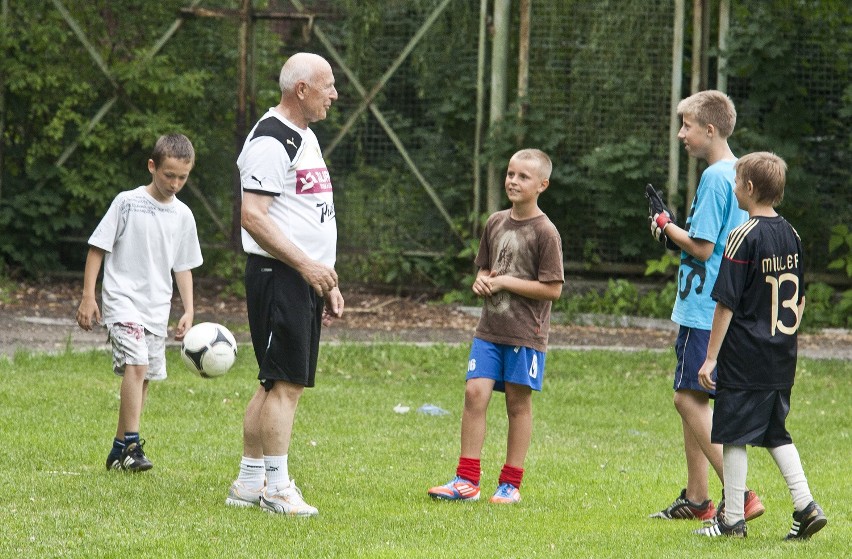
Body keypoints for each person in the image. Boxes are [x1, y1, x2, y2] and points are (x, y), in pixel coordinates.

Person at [224, 52, 343, 517]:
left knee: (273, 381)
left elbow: (305, 213)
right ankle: (277, 487)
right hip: (280, 277)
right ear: (302, 90)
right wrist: (306, 268)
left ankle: (249, 483)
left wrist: (324, 277)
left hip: (299, 277)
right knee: (287, 384)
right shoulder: (272, 140)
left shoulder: (304, 137)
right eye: (328, 86)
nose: (334, 95)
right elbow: (254, 218)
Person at [692, 152, 827, 539]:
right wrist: (782, 336)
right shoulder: (793, 235)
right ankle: (806, 505)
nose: (734, 188)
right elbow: (800, 298)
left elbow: (726, 302)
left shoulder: (743, 236)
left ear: (749, 189)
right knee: (774, 432)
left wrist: (711, 357)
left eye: (736, 182)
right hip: (781, 356)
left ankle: (732, 518)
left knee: (734, 432)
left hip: (745, 355)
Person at [648, 90, 765, 521]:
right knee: (692, 395)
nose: (682, 134)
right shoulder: (734, 173)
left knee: (686, 399)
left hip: (704, 308)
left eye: (687, 126)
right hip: (710, 305)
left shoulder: (717, 175)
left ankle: (742, 494)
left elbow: (701, 247)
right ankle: (698, 500)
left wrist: (665, 226)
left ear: (709, 130)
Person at [427, 148, 564, 505]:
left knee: (518, 405)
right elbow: (485, 268)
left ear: (542, 185)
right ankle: (466, 480)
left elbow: (553, 289)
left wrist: (503, 283)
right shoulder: (495, 221)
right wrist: (482, 280)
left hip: (526, 334)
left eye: (523, 177)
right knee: (475, 394)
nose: (513, 181)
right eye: (510, 174)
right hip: (489, 330)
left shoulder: (546, 232)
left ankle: (510, 484)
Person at [76, 133, 202, 472]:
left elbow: (184, 266)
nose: (175, 183)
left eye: (183, 177)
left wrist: (189, 309)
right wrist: (89, 296)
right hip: (121, 302)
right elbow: (97, 248)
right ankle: (132, 444)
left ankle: (119, 450)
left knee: (143, 377)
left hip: (156, 308)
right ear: (152, 166)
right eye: (169, 175)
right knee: (137, 365)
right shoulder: (126, 202)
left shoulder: (183, 216)